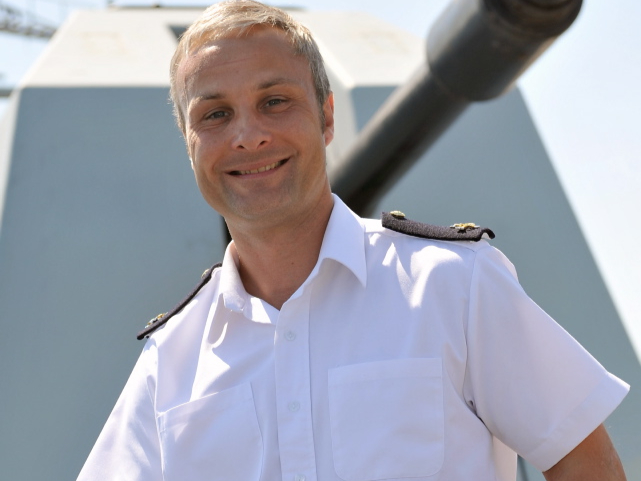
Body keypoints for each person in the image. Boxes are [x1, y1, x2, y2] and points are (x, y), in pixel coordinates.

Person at [77, 1, 630, 480]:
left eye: (275, 101)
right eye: (215, 114)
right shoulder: (171, 359)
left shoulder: (453, 287)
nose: (249, 135)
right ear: (190, 143)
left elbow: (582, 461)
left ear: (326, 117)